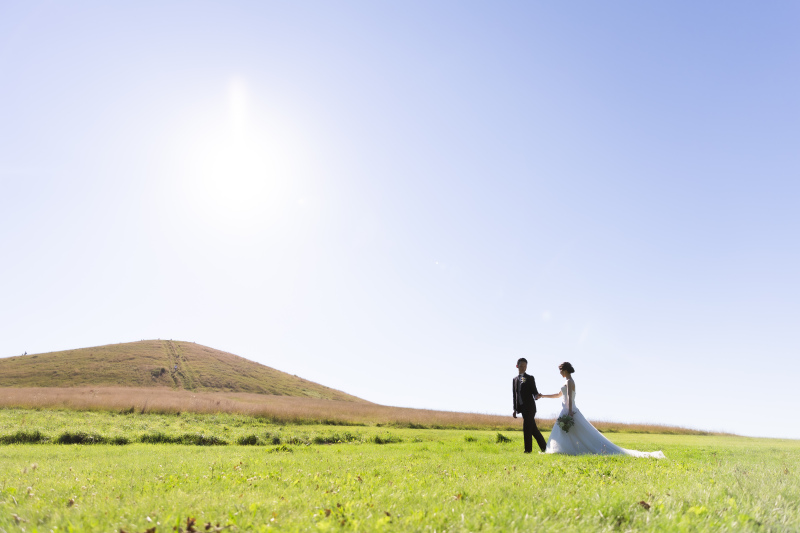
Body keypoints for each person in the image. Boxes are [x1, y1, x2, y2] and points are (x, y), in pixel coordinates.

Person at [540, 362, 665, 458]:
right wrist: (543, 396)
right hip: (566, 409)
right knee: (565, 431)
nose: (560, 373)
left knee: (578, 432)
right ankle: (563, 449)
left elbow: (570, 397)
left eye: (560, 370)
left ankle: (572, 449)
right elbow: (558, 395)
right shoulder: (565, 381)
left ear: (565, 370)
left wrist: (570, 411)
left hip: (569, 409)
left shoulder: (570, 381)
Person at [512, 358, 547, 453]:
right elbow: (515, 396)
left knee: (526, 428)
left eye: (525, 366)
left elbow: (534, 392)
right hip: (522, 408)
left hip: (530, 408)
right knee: (533, 430)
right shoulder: (514, 380)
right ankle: (545, 448)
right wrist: (515, 409)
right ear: (517, 366)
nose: (523, 368)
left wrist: (537, 396)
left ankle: (528, 450)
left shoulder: (530, 378)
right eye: (521, 366)